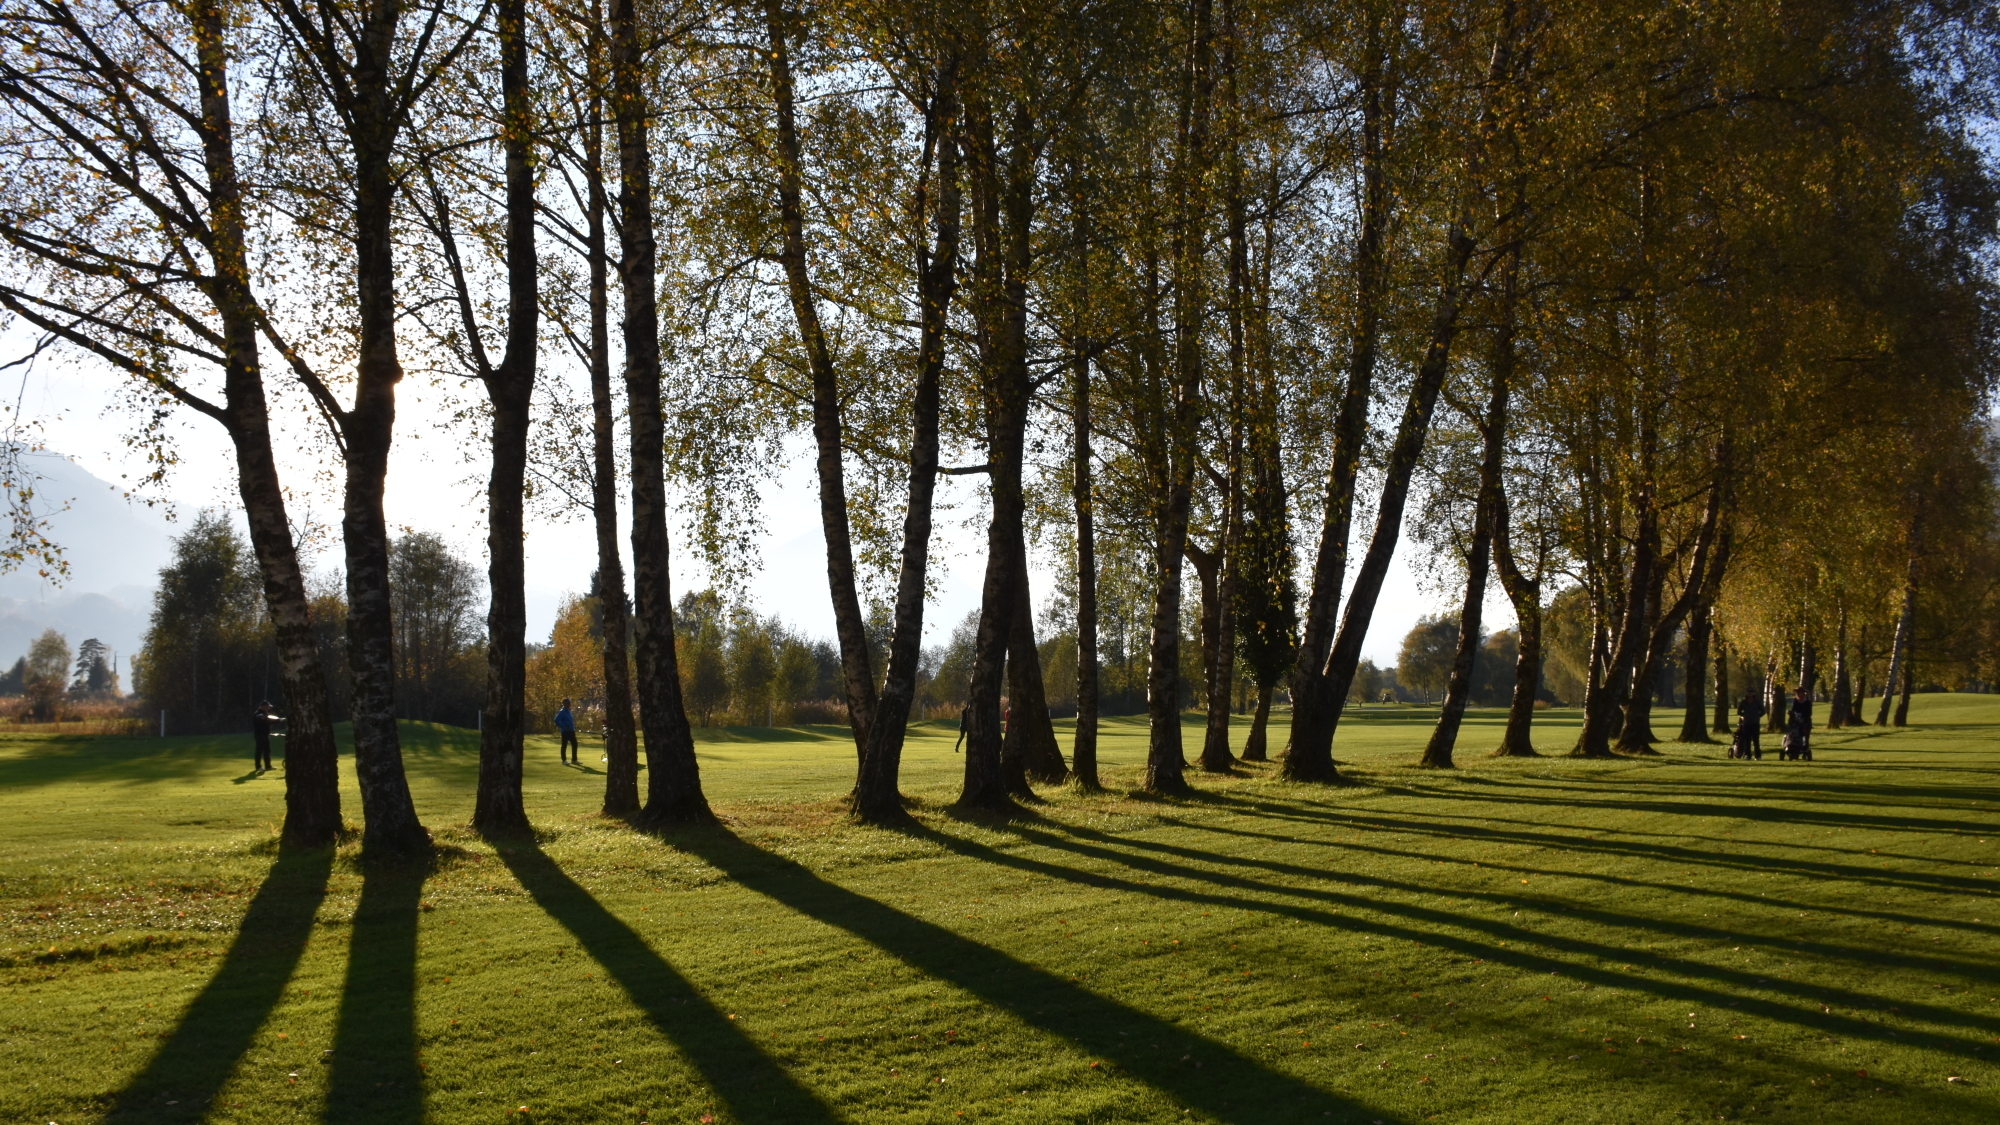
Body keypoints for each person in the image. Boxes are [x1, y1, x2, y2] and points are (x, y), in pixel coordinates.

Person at [1784, 685, 1813, 761]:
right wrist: (1791, 713)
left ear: (1803, 693)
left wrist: (1802, 716)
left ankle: (1804, 750)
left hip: (1805, 722)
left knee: (1805, 737)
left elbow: (1809, 713)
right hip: (1796, 721)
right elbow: (1793, 709)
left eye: (1799, 692)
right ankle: (1793, 749)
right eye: (1797, 693)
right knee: (1793, 735)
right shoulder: (1795, 701)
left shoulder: (1807, 702)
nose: (1798, 694)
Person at [1733, 690, 1764, 760]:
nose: (1750, 694)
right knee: (1747, 740)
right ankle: (1747, 755)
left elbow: (1763, 711)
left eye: (1751, 692)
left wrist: (1757, 716)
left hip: (1755, 723)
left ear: (1754, 693)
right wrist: (1744, 715)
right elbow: (1739, 711)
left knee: (1756, 740)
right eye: (1749, 692)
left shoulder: (1757, 702)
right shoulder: (1743, 702)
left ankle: (1758, 756)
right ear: (1746, 693)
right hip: (1746, 723)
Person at [252, 700, 281, 771]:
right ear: (263, 707)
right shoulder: (258, 713)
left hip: (266, 735)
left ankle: (268, 766)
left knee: (267, 751)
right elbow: (260, 717)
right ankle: (258, 767)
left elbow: (270, 721)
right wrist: (265, 716)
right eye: (267, 707)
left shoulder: (265, 713)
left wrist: (279, 720)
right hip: (259, 734)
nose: (268, 708)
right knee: (259, 751)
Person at [555, 698, 579, 764]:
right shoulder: (562, 711)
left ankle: (574, 760)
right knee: (564, 745)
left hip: (571, 730)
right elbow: (556, 720)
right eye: (568, 703)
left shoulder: (569, 711)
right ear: (564, 704)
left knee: (575, 744)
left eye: (569, 703)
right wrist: (562, 726)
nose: (569, 704)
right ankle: (564, 760)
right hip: (565, 731)